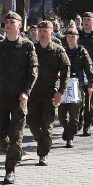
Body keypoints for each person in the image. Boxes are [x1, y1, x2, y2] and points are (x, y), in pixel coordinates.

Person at [0, 11, 38, 184]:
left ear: (19, 25)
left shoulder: (27, 46)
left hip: (19, 97)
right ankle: (11, 151)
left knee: (16, 135)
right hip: (2, 97)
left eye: (12, 21)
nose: (9, 24)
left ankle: (10, 169)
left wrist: (26, 92)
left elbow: (33, 72)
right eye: (7, 21)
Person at [26, 20, 70, 166]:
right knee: (32, 124)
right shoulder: (31, 49)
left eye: (46, 30)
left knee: (46, 124)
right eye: (41, 30)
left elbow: (65, 72)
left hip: (50, 93)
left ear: (51, 32)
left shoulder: (58, 50)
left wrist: (60, 91)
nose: (43, 33)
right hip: (33, 93)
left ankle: (43, 153)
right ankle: (42, 141)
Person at [58, 27, 93, 149]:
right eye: (68, 36)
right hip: (63, 85)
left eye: (73, 36)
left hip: (78, 86)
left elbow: (89, 69)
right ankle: (67, 129)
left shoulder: (82, 52)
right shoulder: (62, 51)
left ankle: (70, 138)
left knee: (74, 114)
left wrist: (90, 85)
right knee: (61, 114)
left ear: (77, 37)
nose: (71, 38)